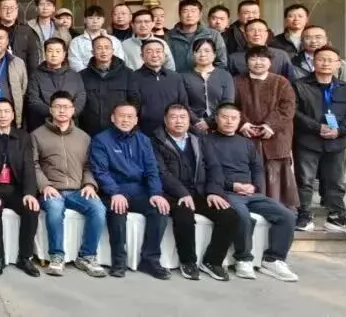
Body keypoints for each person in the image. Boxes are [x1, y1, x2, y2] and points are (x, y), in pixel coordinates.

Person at [206, 103, 299, 281]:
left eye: (234, 118)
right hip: (226, 192)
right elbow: (208, 170)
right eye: (224, 117)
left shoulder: (246, 143)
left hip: (251, 193)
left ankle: (274, 259)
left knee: (287, 215)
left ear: (239, 121)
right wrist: (232, 186)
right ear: (216, 118)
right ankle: (243, 259)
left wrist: (255, 187)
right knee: (241, 215)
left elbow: (257, 169)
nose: (229, 121)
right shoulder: (206, 141)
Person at [152, 104, 239, 281]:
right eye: (174, 117)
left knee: (229, 215)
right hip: (171, 194)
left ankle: (212, 261)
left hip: (200, 192)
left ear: (188, 120)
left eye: (183, 117)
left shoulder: (199, 139)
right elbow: (162, 173)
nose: (179, 121)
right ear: (165, 120)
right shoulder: (156, 141)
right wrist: (182, 192)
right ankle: (188, 261)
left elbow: (214, 167)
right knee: (184, 214)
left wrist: (213, 192)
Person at [90, 102, 171, 279]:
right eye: (121, 116)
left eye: (130, 117)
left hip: (139, 191)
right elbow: (100, 171)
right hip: (114, 190)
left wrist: (156, 193)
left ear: (136, 120)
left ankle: (150, 260)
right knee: (117, 210)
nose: (125, 120)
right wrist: (114, 192)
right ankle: (119, 261)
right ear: (113, 118)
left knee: (160, 209)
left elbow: (152, 170)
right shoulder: (101, 140)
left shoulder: (143, 140)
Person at [30, 91, 106, 278]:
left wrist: (89, 184)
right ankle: (57, 256)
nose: (62, 111)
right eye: (58, 107)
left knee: (98, 208)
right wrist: (45, 186)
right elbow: (33, 164)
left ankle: (87, 256)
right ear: (51, 110)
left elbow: (89, 165)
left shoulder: (84, 137)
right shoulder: (37, 135)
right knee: (55, 209)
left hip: (77, 190)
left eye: (66, 107)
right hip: (51, 190)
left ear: (73, 110)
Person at [292, 45, 346, 234]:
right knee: (304, 181)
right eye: (321, 59)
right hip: (307, 141)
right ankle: (304, 216)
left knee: (335, 182)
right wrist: (317, 127)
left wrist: (340, 131)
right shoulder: (299, 85)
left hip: (336, 143)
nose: (325, 63)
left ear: (338, 64)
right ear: (313, 62)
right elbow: (294, 113)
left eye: (330, 60)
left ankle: (336, 217)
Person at [0, 98, 40, 277]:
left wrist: (29, 193)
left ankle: (25, 258)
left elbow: (29, 167)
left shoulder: (23, 136)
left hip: (16, 188)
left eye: (6, 111)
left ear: (13, 115)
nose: (3, 115)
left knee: (31, 208)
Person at [234, 46, 299, 210]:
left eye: (262, 59)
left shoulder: (281, 82)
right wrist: (243, 124)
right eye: (253, 58)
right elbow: (231, 106)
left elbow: (287, 107)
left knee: (276, 175)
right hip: (246, 135)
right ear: (247, 62)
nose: (258, 62)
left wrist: (270, 125)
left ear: (270, 62)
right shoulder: (237, 81)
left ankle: (281, 211)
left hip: (276, 136)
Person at [78, 35, 137, 137]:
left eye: (107, 47)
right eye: (99, 48)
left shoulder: (128, 74)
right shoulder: (82, 75)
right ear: (92, 52)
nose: (103, 51)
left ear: (113, 50)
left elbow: (134, 101)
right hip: (89, 131)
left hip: (119, 131)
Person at [25, 38, 86, 132]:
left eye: (58, 51)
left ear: (64, 54)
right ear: (45, 53)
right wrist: (54, 113)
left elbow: (81, 96)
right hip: (43, 124)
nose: (54, 55)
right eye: (50, 51)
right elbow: (33, 99)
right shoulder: (36, 75)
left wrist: (70, 113)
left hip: (70, 124)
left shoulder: (74, 75)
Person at [133, 39, 191, 135]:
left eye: (158, 51)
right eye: (149, 52)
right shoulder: (133, 78)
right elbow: (133, 107)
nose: (154, 55)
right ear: (142, 56)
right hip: (145, 132)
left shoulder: (175, 77)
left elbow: (183, 104)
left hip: (173, 131)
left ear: (164, 55)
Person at [180, 38, 235, 133]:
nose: (202, 54)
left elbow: (228, 102)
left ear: (214, 54)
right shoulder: (184, 76)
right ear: (193, 54)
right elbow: (183, 102)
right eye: (198, 51)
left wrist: (209, 122)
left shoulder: (225, 75)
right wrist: (196, 121)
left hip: (220, 124)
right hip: (192, 126)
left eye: (207, 51)